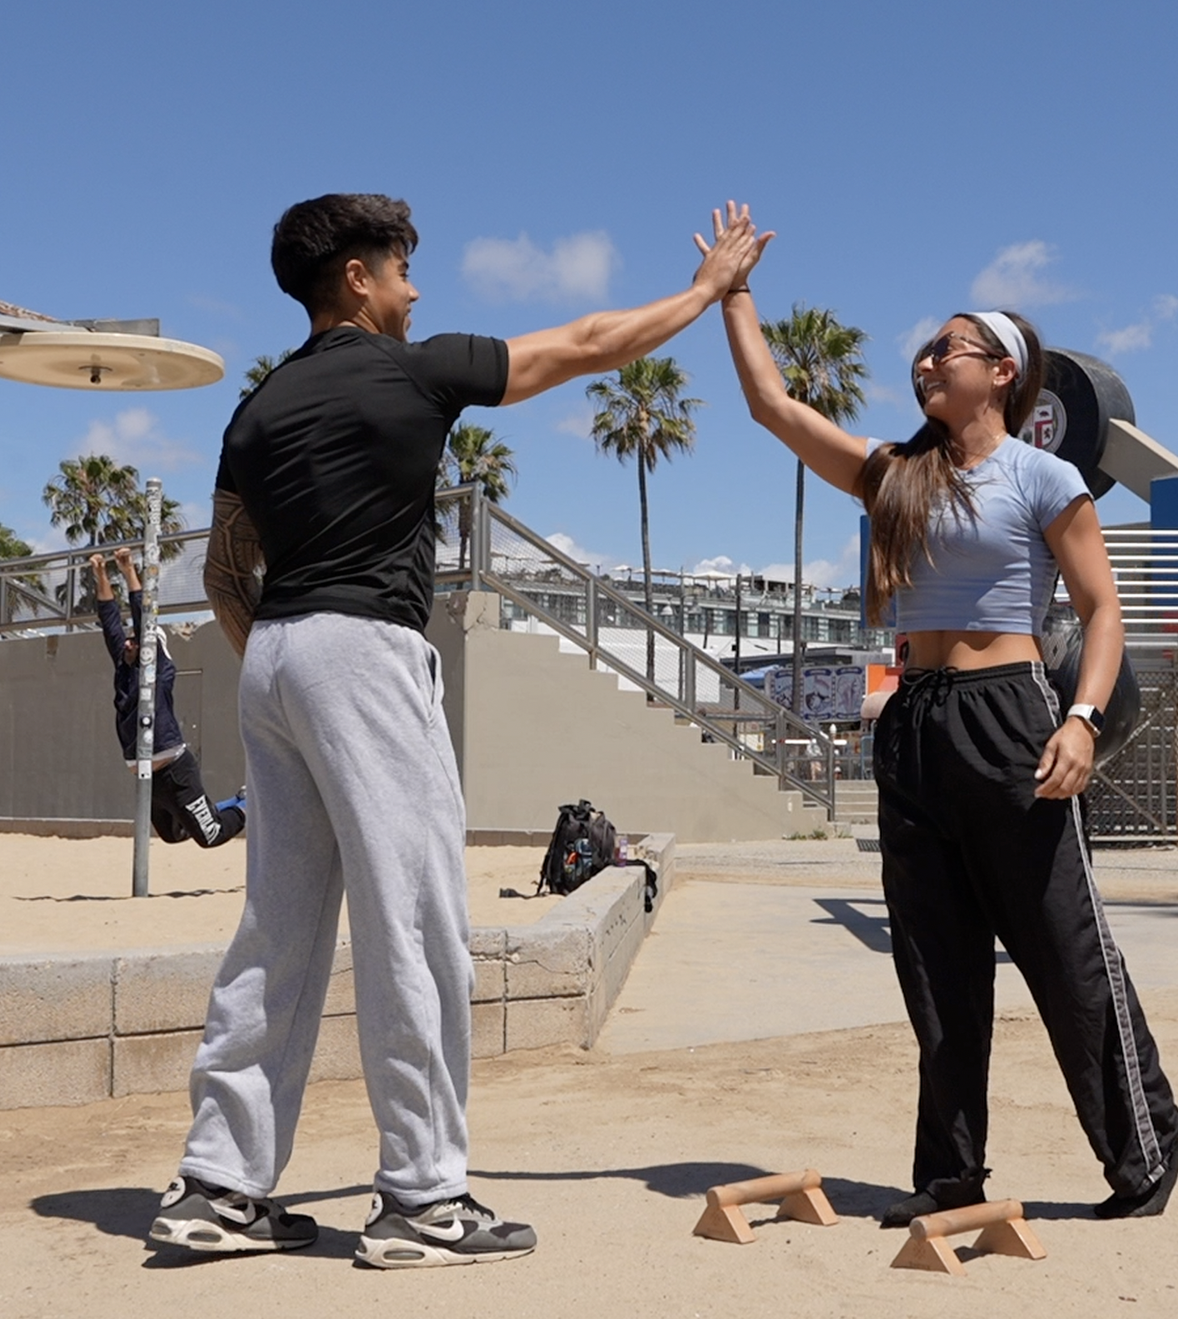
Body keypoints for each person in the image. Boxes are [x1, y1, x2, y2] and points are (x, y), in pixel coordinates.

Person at [152, 192, 768, 1267]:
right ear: (356, 276)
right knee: (416, 923)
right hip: (360, 651)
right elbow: (582, 346)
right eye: (400, 269)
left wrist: (291, 666)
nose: (414, 289)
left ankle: (221, 1183)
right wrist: (707, 290)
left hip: (276, 655)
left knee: (278, 930)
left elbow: (218, 574)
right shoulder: (412, 370)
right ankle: (424, 1198)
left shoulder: (255, 411)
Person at [711, 218, 1178, 1227]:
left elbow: (1101, 611)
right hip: (915, 727)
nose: (927, 359)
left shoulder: (1041, 478)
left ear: (1002, 373)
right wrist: (733, 293)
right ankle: (949, 1171)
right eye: (926, 349)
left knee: (1065, 949)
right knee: (936, 964)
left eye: (949, 348)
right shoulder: (897, 475)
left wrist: (1084, 719)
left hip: (1011, 719)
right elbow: (771, 407)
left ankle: (1141, 1150)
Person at [91, 547, 244, 849]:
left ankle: (248, 805)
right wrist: (99, 573)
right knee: (172, 835)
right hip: (147, 774)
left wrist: (129, 570)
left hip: (173, 768)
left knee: (209, 835)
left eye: (136, 639)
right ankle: (231, 801)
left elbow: (143, 618)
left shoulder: (156, 671)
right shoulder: (124, 667)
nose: (129, 641)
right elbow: (109, 622)